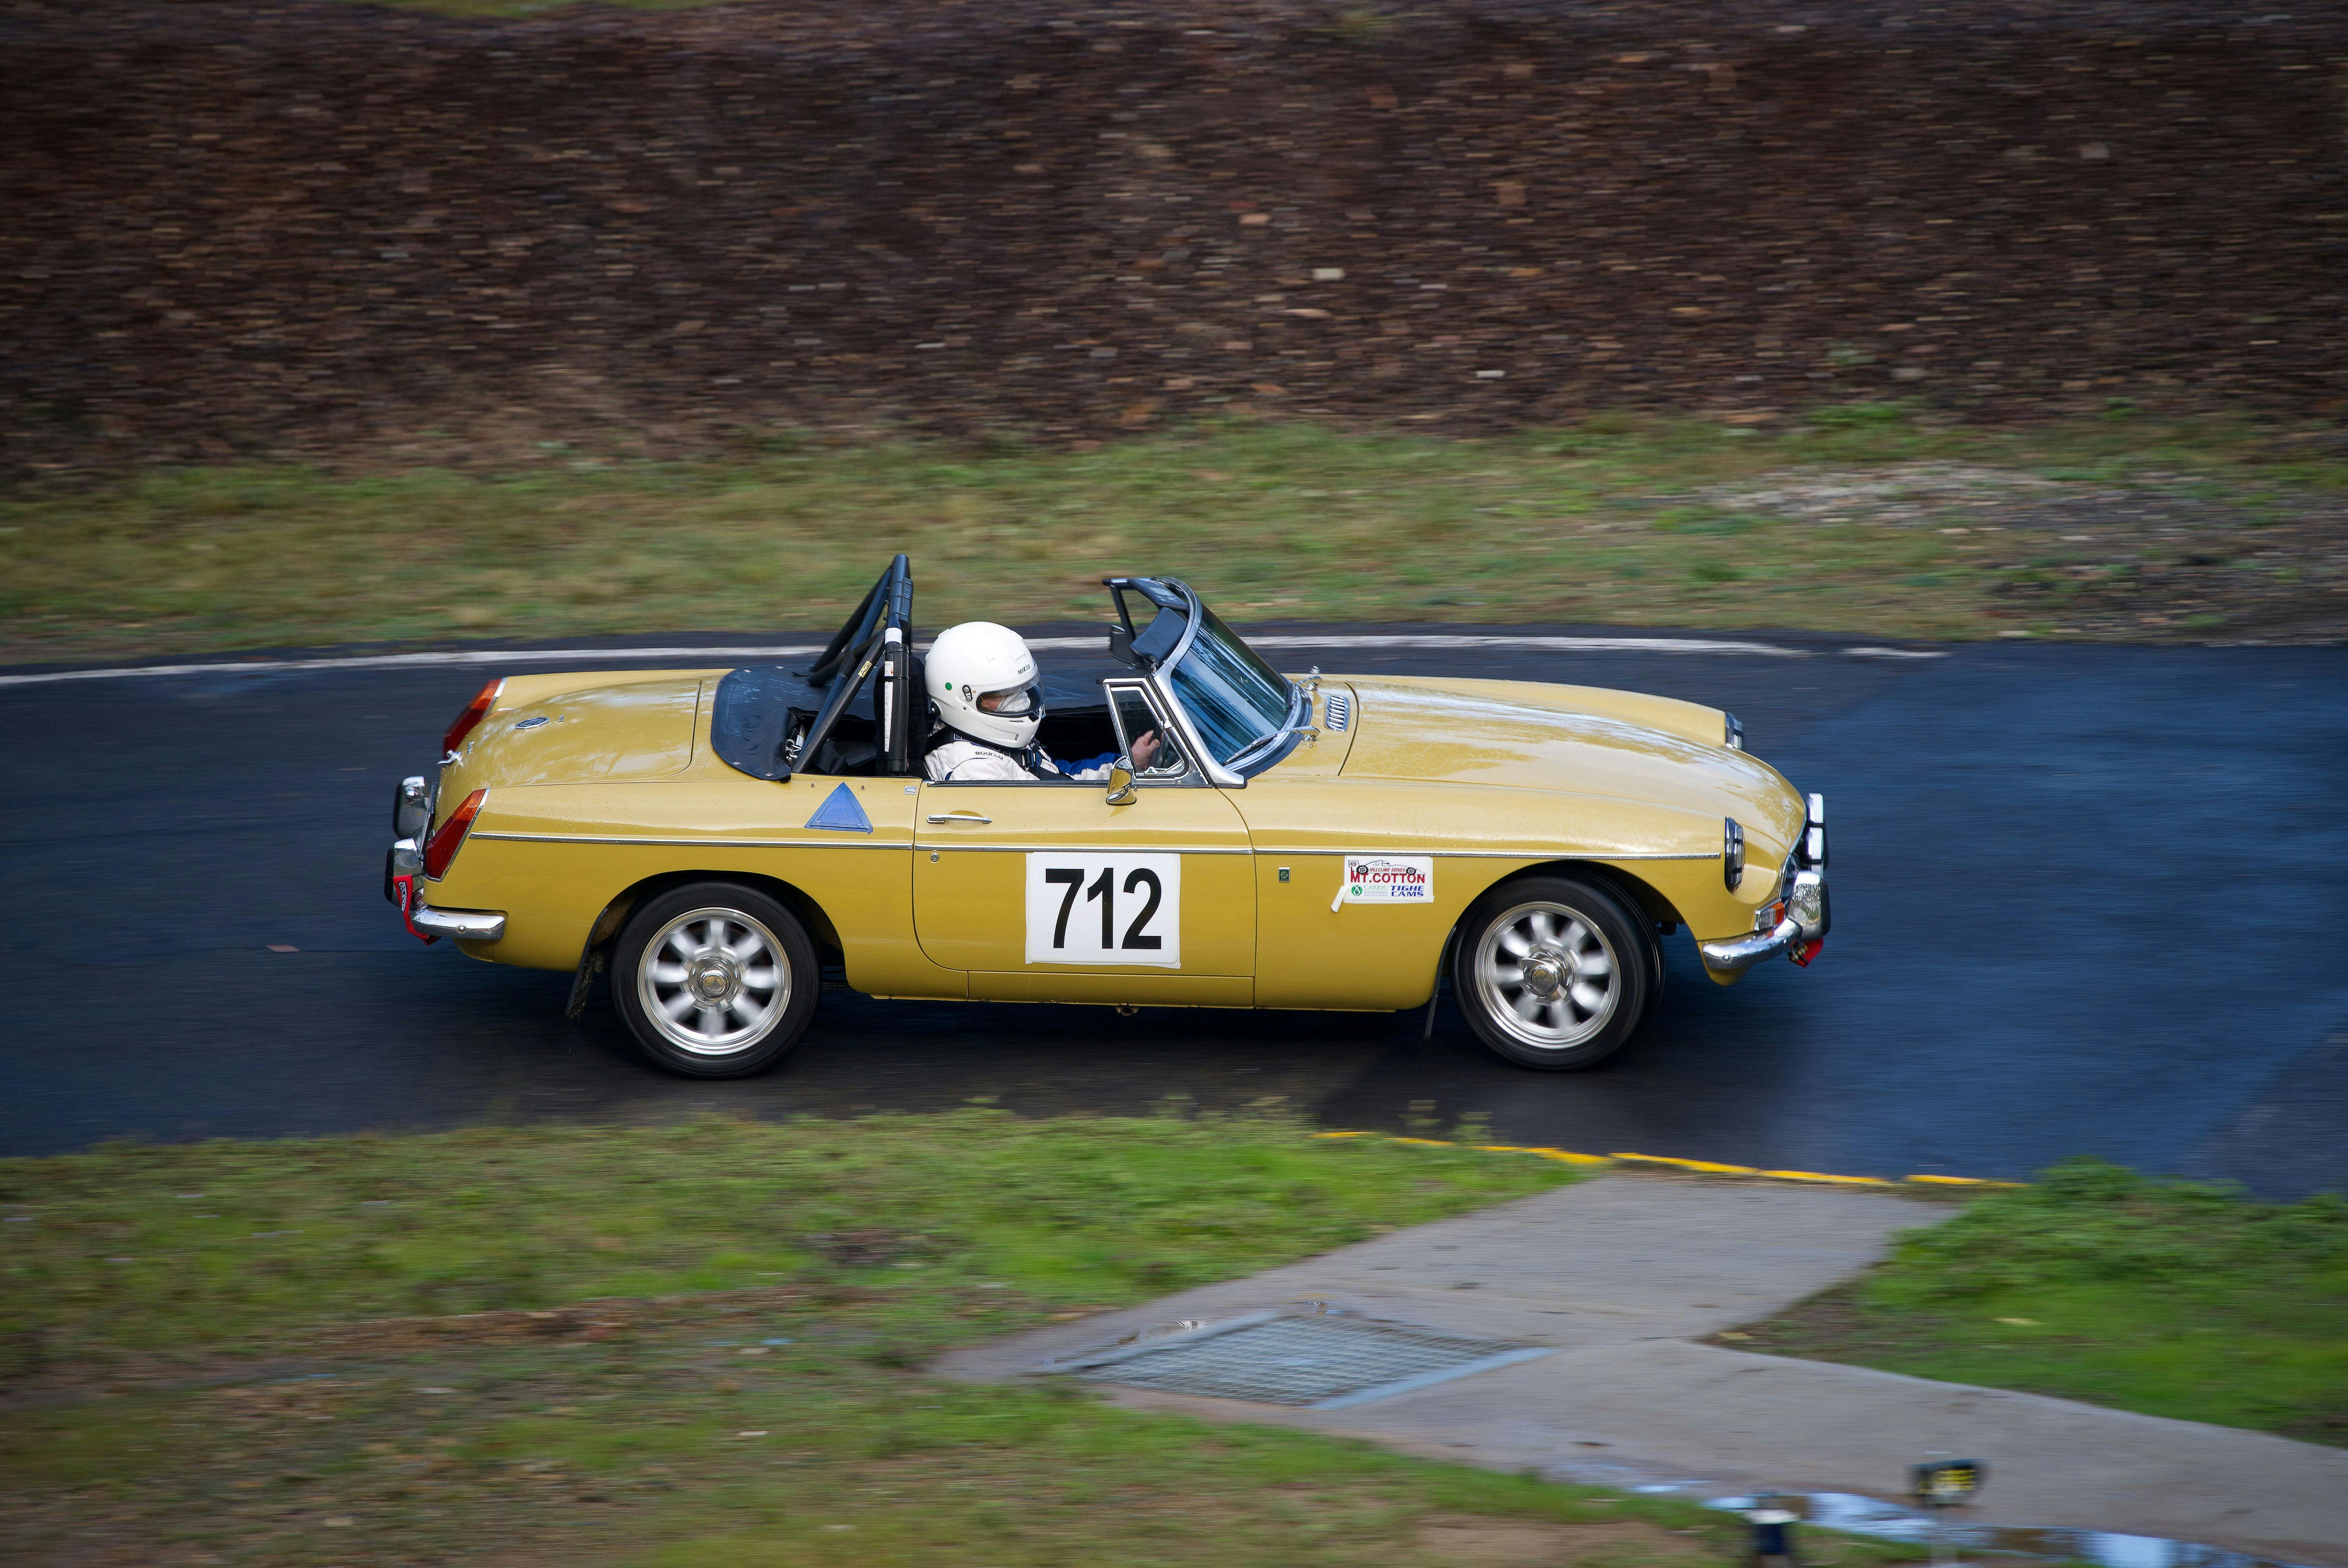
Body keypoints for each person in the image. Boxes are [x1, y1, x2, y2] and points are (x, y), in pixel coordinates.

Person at [923, 622, 1160, 783]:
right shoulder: (975, 771)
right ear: (963, 699)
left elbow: (1060, 779)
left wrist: (1131, 765)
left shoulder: (992, 743)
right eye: (1003, 695)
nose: (1021, 701)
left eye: (1022, 690)